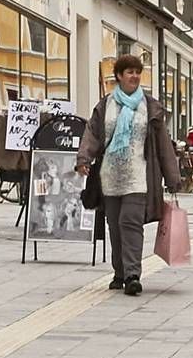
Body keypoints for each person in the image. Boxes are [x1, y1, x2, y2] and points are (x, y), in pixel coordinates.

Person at [76, 55, 181, 296]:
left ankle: (133, 274)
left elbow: (163, 143)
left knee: (130, 221)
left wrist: (172, 176)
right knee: (114, 224)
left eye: (137, 72)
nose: (134, 76)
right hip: (110, 176)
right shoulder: (106, 106)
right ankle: (119, 272)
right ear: (119, 76)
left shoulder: (150, 106)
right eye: (129, 72)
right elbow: (92, 133)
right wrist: (83, 158)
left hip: (139, 175)